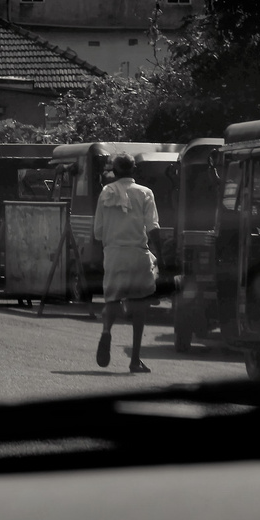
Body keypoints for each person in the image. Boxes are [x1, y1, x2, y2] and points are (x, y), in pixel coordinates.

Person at [91, 153, 160, 374]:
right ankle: (135, 360)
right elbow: (153, 228)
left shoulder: (105, 193)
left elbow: (98, 232)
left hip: (113, 254)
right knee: (139, 305)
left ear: (115, 171)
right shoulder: (145, 193)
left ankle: (106, 331)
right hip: (138, 254)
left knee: (112, 299)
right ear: (134, 170)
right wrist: (163, 256)